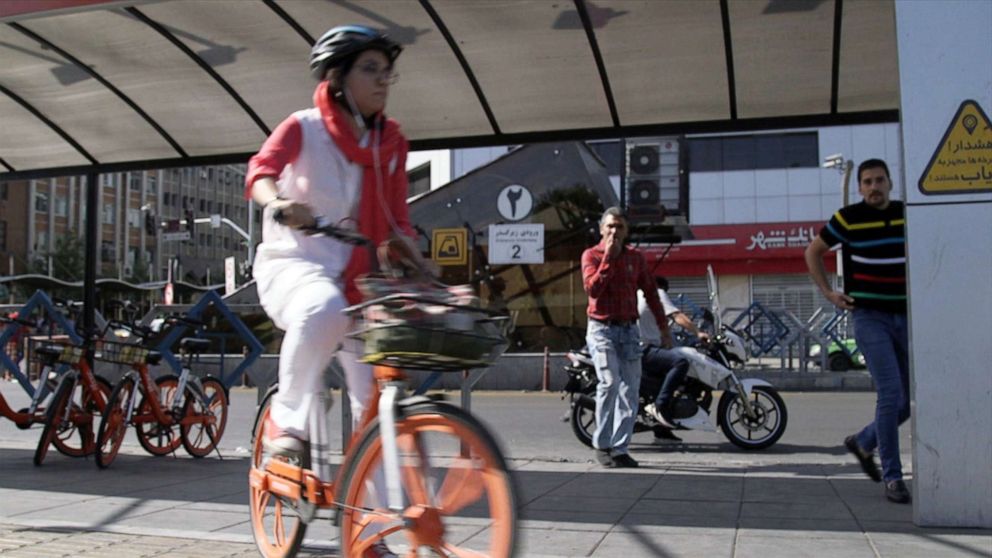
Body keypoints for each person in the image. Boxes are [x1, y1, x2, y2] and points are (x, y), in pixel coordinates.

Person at [245, 25, 422, 461]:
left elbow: (399, 218)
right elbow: (260, 174)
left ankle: (383, 516)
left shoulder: (391, 145)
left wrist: (420, 260)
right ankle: (286, 423)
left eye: (387, 72)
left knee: (381, 400)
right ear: (338, 78)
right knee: (323, 309)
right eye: (370, 69)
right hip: (296, 264)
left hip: (363, 281)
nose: (384, 80)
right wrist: (282, 203)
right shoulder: (302, 128)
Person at [804, 158, 911, 504]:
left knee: (909, 401)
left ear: (890, 183)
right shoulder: (847, 218)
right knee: (891, 394)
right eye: (867, 182)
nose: (874, 187)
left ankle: (864, 441)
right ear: (860, 186)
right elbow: (813, 252)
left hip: (908, 315)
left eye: (879, 180)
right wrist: (828, 293)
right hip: (869, 316)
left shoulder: (905, 214)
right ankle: (893, 478)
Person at [582, 207, 671, 468]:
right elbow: (593, 289)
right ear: (601, 229)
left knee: (630, 391)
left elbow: (652, 294)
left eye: (619, 227)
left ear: (626, 231)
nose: (614, 231)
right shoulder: (591, 255)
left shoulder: (636, 258)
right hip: (601, 329)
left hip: (630, 331)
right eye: (610, 226)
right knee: (609, 382)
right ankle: (602, 444)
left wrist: (664, 329)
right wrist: (608, 258)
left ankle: (620, 448)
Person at [637, 276, 710, 436]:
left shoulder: (638, 294)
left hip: (638, 349)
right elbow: (677, 316)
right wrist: (698, 333)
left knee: (668, 374)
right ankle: (660, 405)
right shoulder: (657, 293)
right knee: (681, 363)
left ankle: (662, 430)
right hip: (644, 350)